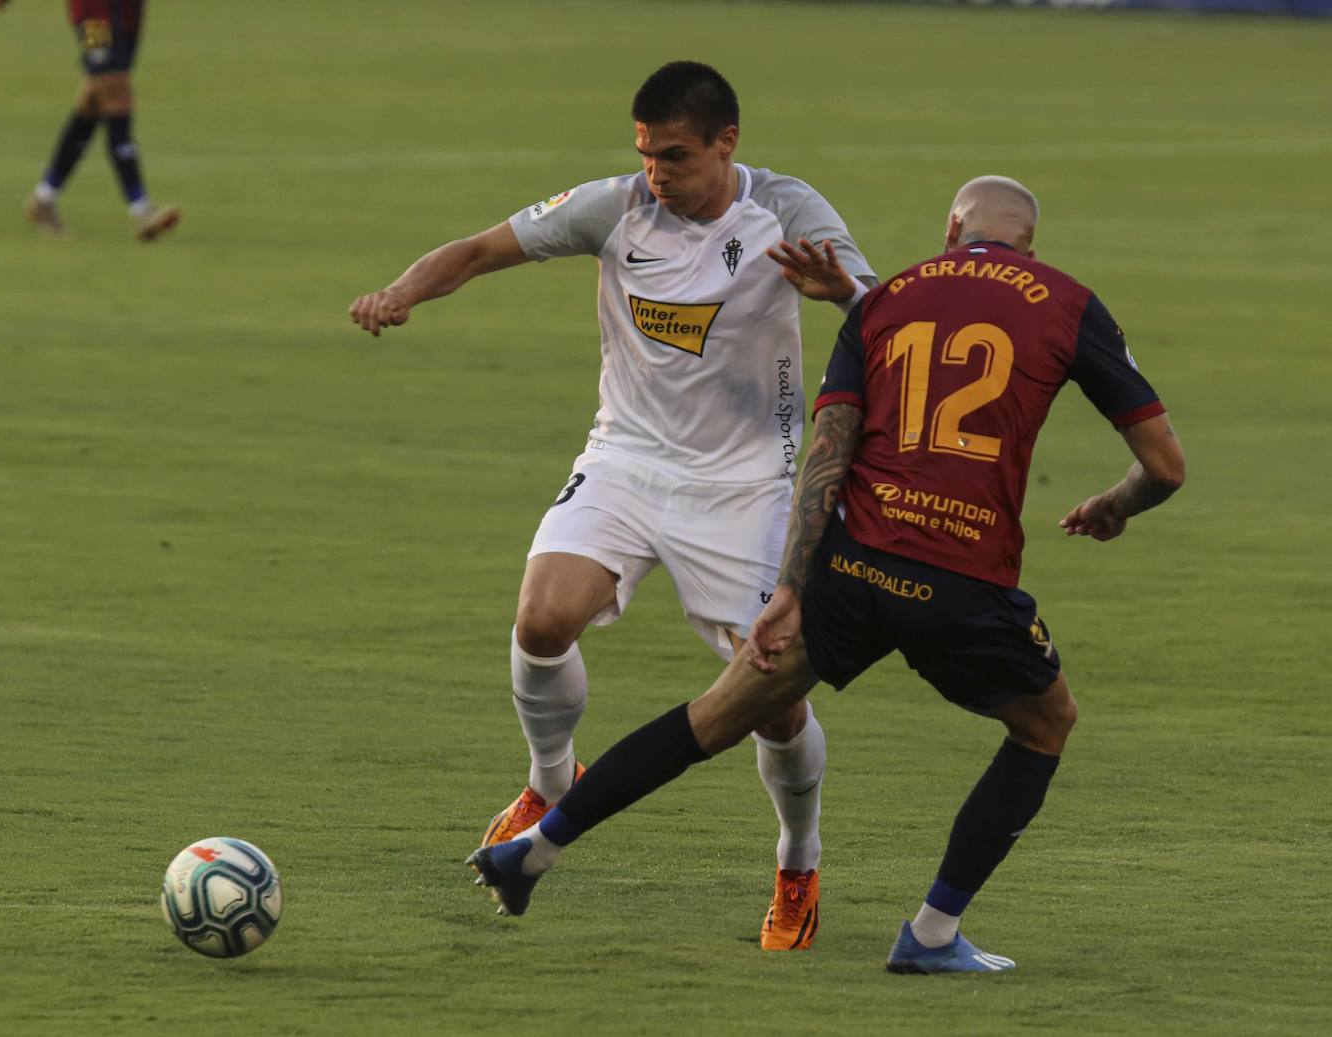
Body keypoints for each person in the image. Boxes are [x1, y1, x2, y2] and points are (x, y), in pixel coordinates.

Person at [467, 175, 1186, 974]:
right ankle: (932, 933)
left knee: (714, 716)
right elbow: (1165, 466)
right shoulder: (1066, 300)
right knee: (1046, 723)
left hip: (853, 565)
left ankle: (532, 851)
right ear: (1029, 245)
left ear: (952, 229)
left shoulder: (887, 299)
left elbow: (829, 448)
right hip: (961, 579)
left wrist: (791, 588)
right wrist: (1117, 505)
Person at [350, 61, 878, 951]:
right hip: (627, 460)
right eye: (645, 155)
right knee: (542, 620)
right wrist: (403, 290)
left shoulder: (787, 210)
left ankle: (798, 862)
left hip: (746, 485)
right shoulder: (615, 207)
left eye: (674, 156)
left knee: (776, 698)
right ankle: (552, 784)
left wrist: (844, 294)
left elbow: (886, 315)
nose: (656, 174)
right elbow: (479, 249)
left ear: (726, 143)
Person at [0, 0, 180, 240]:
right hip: (94, 13)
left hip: (128, 12)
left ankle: (43, 198)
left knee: (94, 102)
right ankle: (142, 209)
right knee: (115, 91)